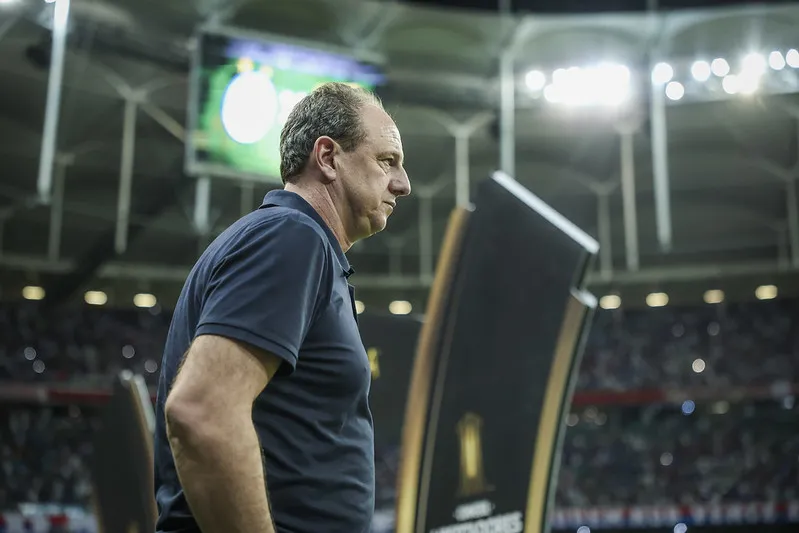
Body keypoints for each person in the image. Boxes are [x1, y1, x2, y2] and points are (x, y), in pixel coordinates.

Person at [153, 82, 411, 533]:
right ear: (328, 157)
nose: (402, 184)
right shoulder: (291, 237)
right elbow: (202, 411)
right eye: (386, 160)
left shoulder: (296, 243)